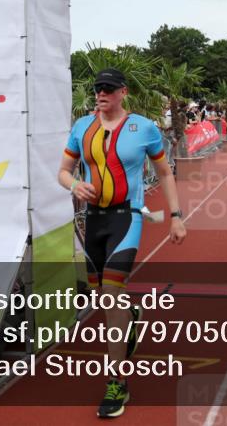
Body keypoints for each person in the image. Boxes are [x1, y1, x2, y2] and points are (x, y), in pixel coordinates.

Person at [57, 68, 186, 418]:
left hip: (127, 217)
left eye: (109, 89)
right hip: (93, 222)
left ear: (123, 93)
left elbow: (164, 172)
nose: (101, 94)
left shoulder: (143, 127)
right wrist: (73, 185)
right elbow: (64, 171)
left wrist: (175, 216)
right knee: (103, 301)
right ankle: (131, 316)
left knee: (111, 294)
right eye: (98, 88)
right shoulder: (82, 127)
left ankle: (117, 382)